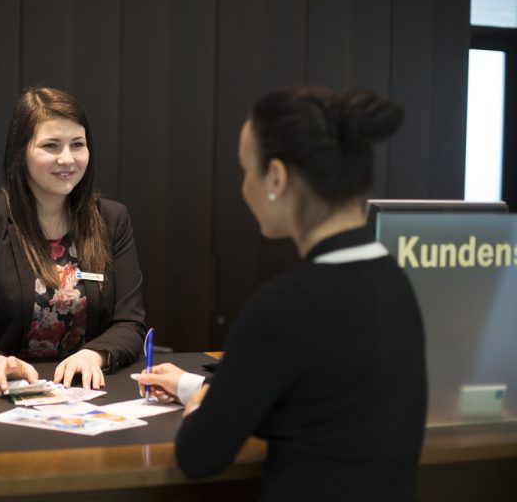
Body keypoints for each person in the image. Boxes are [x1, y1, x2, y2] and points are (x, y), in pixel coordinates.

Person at [137, 87, 427, 501]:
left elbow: (199, 455)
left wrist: (200, 404)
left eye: (245, 171)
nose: (243, 189)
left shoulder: (285, 305)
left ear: (276, 177)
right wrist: (191, 387)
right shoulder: (395, 283)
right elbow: (310, 404)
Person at [0, 87, 146, 396]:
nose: (67, 158)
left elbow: (130, 323)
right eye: (51, 145)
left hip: (88, 392)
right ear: (21, 152)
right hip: (5, 393)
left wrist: (94, 354)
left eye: (77, 145)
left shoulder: (112, 220)